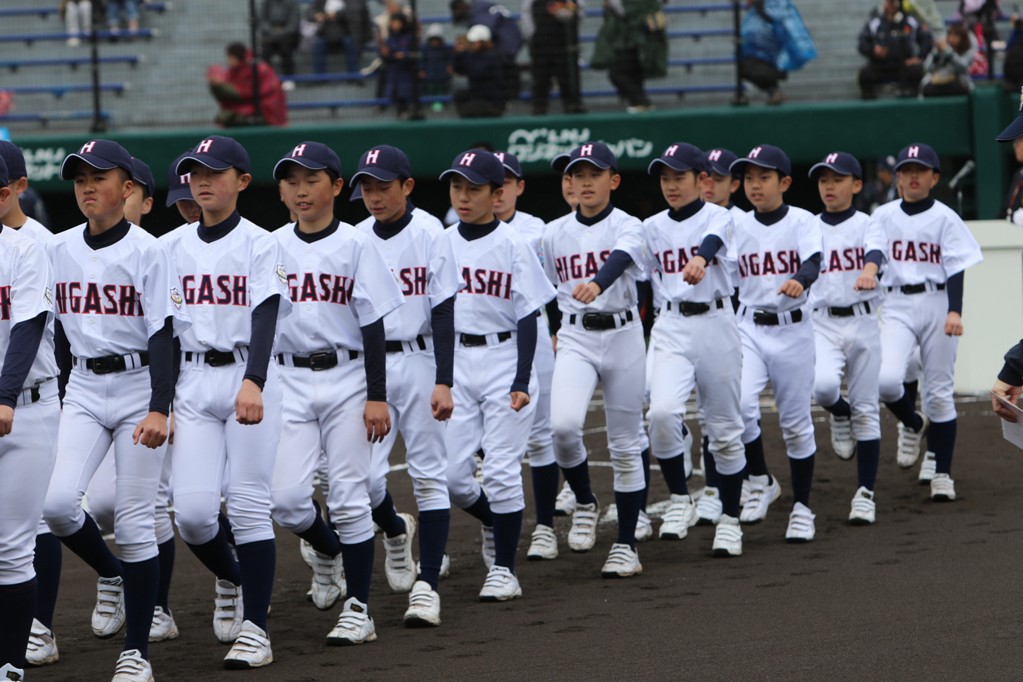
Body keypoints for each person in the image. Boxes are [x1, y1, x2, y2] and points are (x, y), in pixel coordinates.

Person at [42, 139, 188, 682]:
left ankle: (137, 653)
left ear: (127, 189)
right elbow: (54, 333)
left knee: (132, 523)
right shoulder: (57, 248)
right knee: (57, 507)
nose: (86, 188)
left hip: (135, 388)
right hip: (82, 383)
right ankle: (116, 578)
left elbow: (163, 335)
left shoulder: (149, 251)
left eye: (98, 178)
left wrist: (159, 407)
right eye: (79, 179)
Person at [269, 141, 405, 645]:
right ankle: (328, 551)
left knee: (349, 497)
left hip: (347, 378)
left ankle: (360, 608)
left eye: (311, 180)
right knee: (285, 500)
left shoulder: (356, 243)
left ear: (334, 186)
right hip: (289, 378)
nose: (301, 190)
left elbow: (372, 325)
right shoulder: (271, 245)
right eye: (291, 180)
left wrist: (376, 395)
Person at [169, 135, 292, 669]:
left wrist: (255, 379)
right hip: (194, 381)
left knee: (246, 506)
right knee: (194, 514)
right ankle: (235, 578)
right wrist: (161, 397)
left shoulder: (261, 243)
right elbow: (164, 330)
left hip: (248, 375)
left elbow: (265, 314)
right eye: (195, 171)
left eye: (214, 172)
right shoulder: (171, 246)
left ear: (242, 181)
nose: (202, 179)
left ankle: (257, 629)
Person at [351, 145, 459, 625]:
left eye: (383, 186)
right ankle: (396, 531)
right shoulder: (354, 237)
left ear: (407, 186)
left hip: (417, 359)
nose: (374, 195)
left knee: (429, 475)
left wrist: (444, 379)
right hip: (367, 368)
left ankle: (428, 584)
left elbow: (443, 308)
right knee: (364, 480)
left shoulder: (431, 230)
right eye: (367, 187)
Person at [443, 149, 554, 601]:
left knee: (503, 470)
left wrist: (523, 379)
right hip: (458, 362)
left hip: (506, 358)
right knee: (451, 475)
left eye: (474, 188)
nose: (464, 197)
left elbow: (528, 316)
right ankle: (493, 520)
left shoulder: (514, 244)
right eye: (457, 187)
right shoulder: (442, 241)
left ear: (497, 193)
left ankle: (504, 569)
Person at [542, 142, 647, 576]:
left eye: (592, 174)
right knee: (562, 427)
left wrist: (597, 282)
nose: (583, 182)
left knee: (625, 443)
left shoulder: (629, 224)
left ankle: (625, 545)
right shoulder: (552, 233)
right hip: (576, 336)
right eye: (575, 174)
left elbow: (621, 259)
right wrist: (552, 327)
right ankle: (585, 499)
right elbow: (546, 288)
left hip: (623, 334)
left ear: (613, 180)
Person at [641, 142, 748, 555]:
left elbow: (712, 240)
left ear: (702, 180)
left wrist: (701, 259)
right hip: (670, 324)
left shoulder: (721, 215)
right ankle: (681, 498)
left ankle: (731, 519)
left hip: (717, 324)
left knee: (724, 432)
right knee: (662, 413)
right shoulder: (650, 226)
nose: (670, 185)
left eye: (678, 177)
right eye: (664, 177)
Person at [873, 143, 983, 502]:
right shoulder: (883, 215)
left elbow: (955, 267)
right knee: (887, 380)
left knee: (938, 391)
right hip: (897, 301)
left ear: (935, 178)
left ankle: (942, 473)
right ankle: (913, 423)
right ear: (898, 177)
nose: (913, 176)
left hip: (936, 300)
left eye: (921, 170)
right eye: (907, 170)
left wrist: (955, 311)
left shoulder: (946, 217)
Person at [728, 144, 823, 542]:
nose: (754, 185)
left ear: (784, 182)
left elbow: (814, 262)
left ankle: (802, 505)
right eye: (748, 177)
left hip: (793, 330)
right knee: (741, 407)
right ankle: (762, 479)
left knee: (796, 425)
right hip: (748, 327)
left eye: (763, 177)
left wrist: (801, 279)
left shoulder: (802, 221)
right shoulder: (735, 225)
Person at [0, 141, 63, 670]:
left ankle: (12, 660)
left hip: (30, 405)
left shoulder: (31, 245)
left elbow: (30, 329)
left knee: (17, 544)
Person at [488, 151, 562, 561]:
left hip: (536, 337)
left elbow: (554, 283)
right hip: (483, 348)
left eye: (506, 181)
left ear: (519, 186)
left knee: (543, 435)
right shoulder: (457, 231)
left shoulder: (537, 230)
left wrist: (558, 329)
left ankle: (546, 525)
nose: (497, 191)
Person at [808, 152, 887, 525]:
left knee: (869, 410)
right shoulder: (807, 225)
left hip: (862, 320)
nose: (829, 186)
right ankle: (841, 413)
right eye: (824, 179)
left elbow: (876, 254)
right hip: (821, 321)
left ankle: (865, 493)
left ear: (856, 185)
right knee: (823, 389)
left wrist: (869, 270)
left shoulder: (869, 223)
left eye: (837, 179)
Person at [589, 0, 667, 113]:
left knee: (617, 74)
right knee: (632, 74)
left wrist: (611, 4)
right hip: (628, 40)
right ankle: (639, 105)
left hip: (635, 41)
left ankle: (642, 102)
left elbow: (629, 11)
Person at [739, 0, 816, 105]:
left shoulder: (769, 8)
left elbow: (776, 21)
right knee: (747, 66)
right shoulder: (759, 12)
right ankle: (774, 91)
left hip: (768, 51)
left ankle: (774, 90)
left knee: (747, 67)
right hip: (765, 51)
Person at [858, 0, 934, 99]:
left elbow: (927, 39)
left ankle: (910, 99)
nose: (890, 5)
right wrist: (873, 50)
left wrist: (919, 57)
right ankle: (870, 106)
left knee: (917, 71)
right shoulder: (876, 22)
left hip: (904, 65)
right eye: (889, 2)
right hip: (881, 65)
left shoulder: (910, 21)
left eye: (894, 2)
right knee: (865, 75)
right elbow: (862, 42)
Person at [450, 0, 523, 101]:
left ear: (462, 6)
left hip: (503, 49)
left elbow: (482, 38)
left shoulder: (478, 14)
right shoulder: (480, 8)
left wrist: (463, 48)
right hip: (508, 45)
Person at [207, 42, 288, 127]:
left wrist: (220, 85)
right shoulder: (236, 70)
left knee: (232, 116)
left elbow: (248, 93)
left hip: (266, 110)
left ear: (237, 57)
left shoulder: (256, 69)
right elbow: (222, 76)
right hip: (251, 106)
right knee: (224, 116)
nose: (228, 61)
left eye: (230, 57)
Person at [528, 0, 585, 115]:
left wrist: (560, 11)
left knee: (568, 80)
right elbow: (528, 19)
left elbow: (574, 15)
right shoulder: (534, 3)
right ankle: (539, 109)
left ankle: (573, 107)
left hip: (565, 46)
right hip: (541, 45)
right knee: (541, 80)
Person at [453, 25, 506, 118]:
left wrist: (464, 54)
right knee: (460, 95)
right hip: (477, 97)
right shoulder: (473, 56)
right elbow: (460, 70)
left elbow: (477, 71)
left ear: (483, 42)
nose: (472, 45)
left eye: (474, 42)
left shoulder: (492, 56)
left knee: (472, 107)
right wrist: (458, 55)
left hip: (491, 101)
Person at [920, 22, 976, 97]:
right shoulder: (939, 49)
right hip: (938, 82)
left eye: (956, 35)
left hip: (958, 82)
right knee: (927, 89)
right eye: (950, 35)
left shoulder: (967, 51)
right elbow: (926, 68)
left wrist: (949, 53)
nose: (951, 38)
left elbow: (963, 67)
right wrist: (935, 54)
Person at [381, 13, 417, 119]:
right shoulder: (389, 39)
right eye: (393, 23)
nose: (394, 25)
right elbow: (387, 55)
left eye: (397, 22)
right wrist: (390, 55)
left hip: (406, 72)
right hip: (393, 72)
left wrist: (400, 55)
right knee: (395, 94)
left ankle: (407, 111)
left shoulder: (409, 38)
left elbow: (408, 54)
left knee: (405, 93)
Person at [260, 0, 301, 77]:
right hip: (270, 33)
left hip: (287, 34)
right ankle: (266, 77)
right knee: (265, 50)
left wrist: (283, 32)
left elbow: (294, 21)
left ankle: (289, 77)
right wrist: (272, 31)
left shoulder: (292, 3)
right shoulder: (266, 3)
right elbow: (262, 20)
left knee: (286, 49)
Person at [421, 25, 453, 112]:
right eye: (433, 39)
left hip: (442, 75)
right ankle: (430, 103)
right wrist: (422, 70)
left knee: (441, 89)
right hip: (429, 75)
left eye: (436, 39)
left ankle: (441, 103)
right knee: (430, 88)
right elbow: (422, 61)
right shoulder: (425, 50)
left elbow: (449, 60)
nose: (434, 42)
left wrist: (449, 66)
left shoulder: (445, 49)